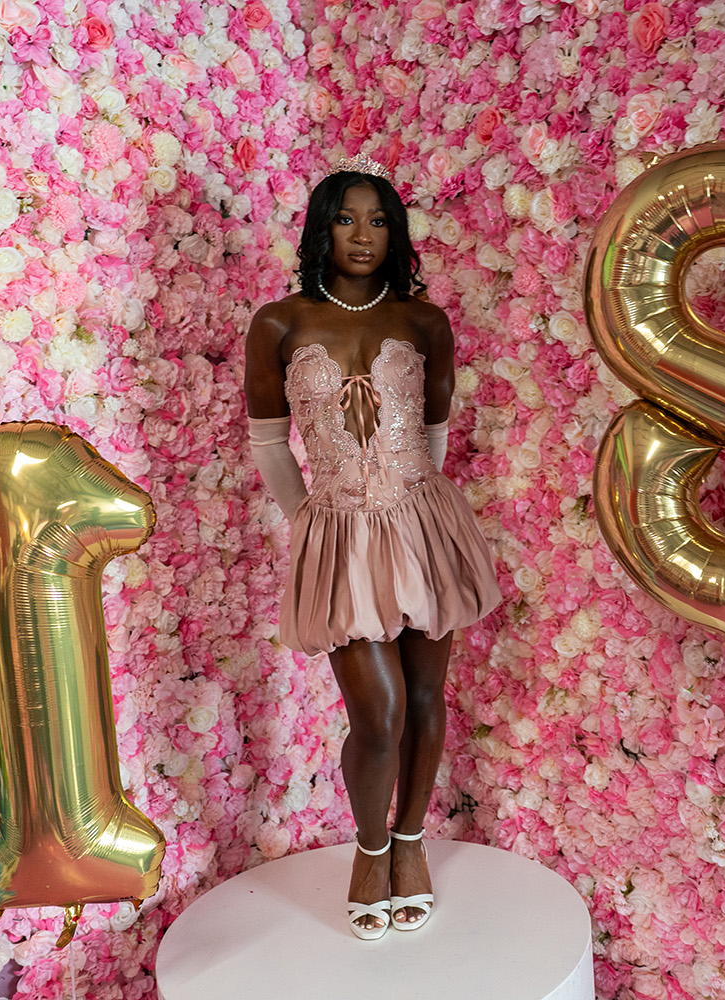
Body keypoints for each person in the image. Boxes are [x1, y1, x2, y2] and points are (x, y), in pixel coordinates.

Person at [243, 155, 500, 940]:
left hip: (423, 523)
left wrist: (411, 501)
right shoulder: (279, 322)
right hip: (340, 532)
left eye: (380, 220)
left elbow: (433, 432)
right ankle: (369, 847)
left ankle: (412, 845)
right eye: (348, 219)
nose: (364, 235)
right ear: (322, 229)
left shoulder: (424, 322)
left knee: (425, 701)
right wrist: (315, 520)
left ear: (399, 234)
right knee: (379, 711)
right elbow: (270, 444)